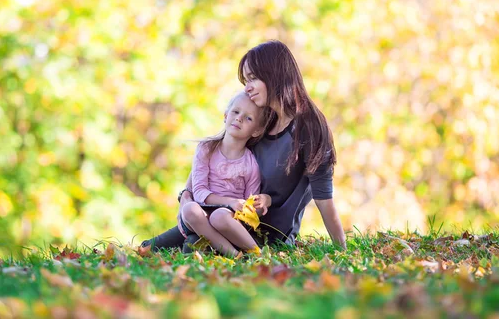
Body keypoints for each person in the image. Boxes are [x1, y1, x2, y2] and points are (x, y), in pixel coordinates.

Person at [142, 40, 346, 251]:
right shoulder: (262, 119)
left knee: (191, 247)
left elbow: (324, 199)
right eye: (245, 81)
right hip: (227, 217)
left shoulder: (309, 128)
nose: (247, 88)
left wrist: (343, 251)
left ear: (274, 74)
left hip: (268, 235)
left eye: (253, 79)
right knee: (158, 247)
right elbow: (214, 152)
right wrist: (185, 195)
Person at [178, 91, 269, 257]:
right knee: (189, 209)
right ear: (226, 115)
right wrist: (231, 201)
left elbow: (250, 206)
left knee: (219, 216)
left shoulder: (251, 163)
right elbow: (199, 192)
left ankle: (258, 253)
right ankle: (234, 255)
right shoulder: (206, 149)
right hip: (202, 215)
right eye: (235, 112)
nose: (239, 118)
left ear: (256, 130)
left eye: (248, 118)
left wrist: (258, 205)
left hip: (230, 219)